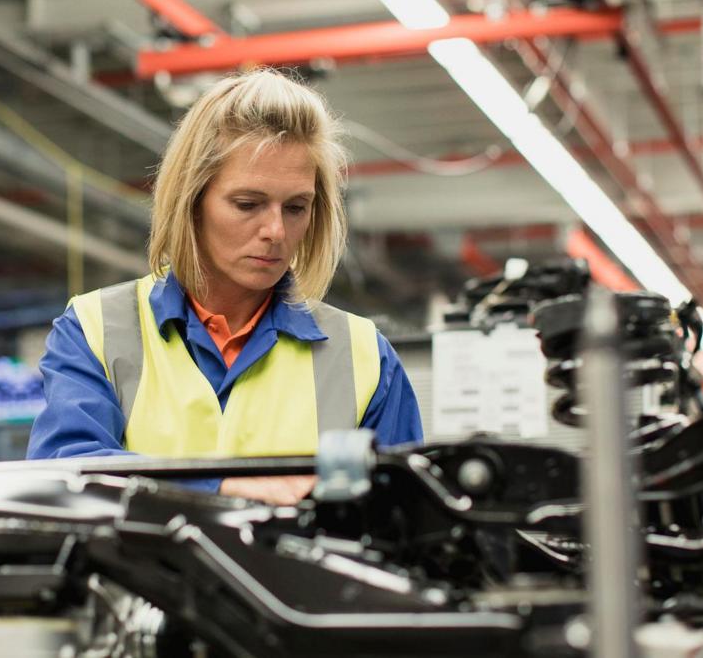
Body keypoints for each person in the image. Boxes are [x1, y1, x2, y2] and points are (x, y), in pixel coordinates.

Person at [27, 69, 423, 505]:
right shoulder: (94, 330)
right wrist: (225, 490)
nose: (276, 230)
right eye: (247, 204)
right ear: (191, 200)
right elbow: (64, 478)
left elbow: (406, 520)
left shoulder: (365, 358)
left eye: (296, 207)